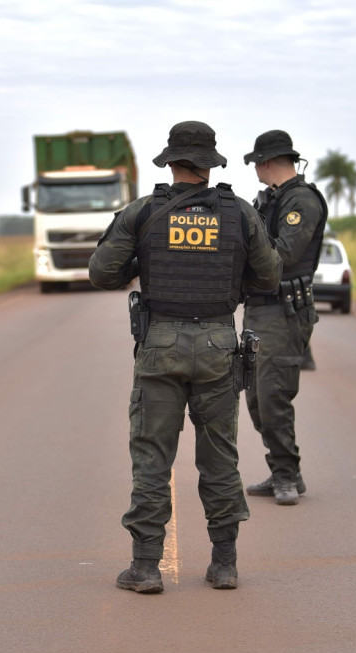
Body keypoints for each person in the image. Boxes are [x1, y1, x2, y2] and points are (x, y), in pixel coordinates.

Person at [89, 121, 281, 593]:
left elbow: (101, 273)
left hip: (160, 347)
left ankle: (146, 566)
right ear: (211, 164)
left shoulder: (142, 212)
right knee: (220, 459)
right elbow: (270, 275)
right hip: (218, 345)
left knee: (152, 457)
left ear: (171, 162)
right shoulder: (238, 213)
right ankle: (224, 564)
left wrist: (141, 260)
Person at [241, 130, 328, 505]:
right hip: (261, 308)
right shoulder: (272, 200)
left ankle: (286, 476)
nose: (256, 171)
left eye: (257, 164)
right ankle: (284, 467)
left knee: (273, 393)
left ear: (267, 163)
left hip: (283, 310)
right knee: (257, 397)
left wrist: (240, 246)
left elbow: (285, 252)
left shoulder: (301, 201)